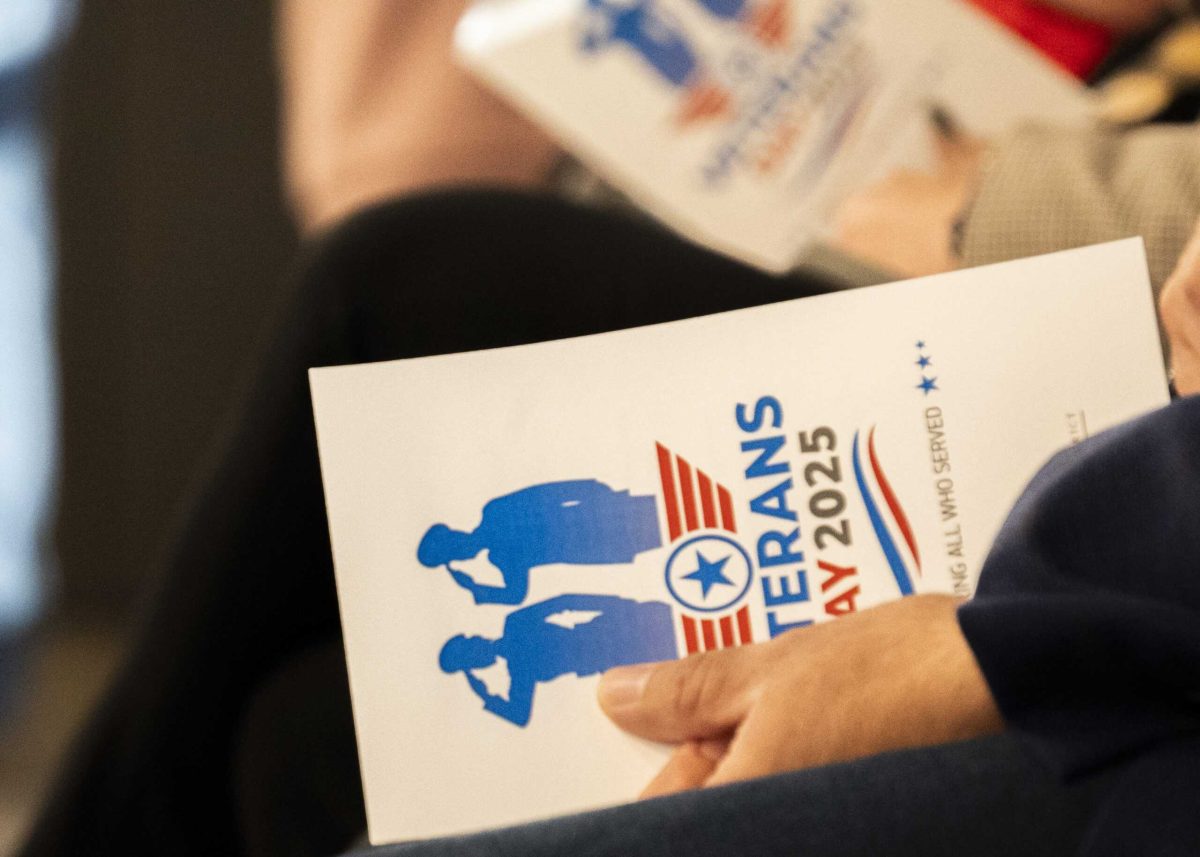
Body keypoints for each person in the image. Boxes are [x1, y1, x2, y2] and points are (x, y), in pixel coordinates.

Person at [440, 594, 676, 727]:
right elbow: (519, 715)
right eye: (470, 662)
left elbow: (565, 601)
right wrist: (484, 694)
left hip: (613, 629)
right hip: (621, 659)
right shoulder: (519, 667)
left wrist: (620, 606)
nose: (476, 662)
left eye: (470, 656)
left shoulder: (516, 627)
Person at [417, 480, 662, 605]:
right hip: (598, 547)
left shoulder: (494, 512)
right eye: (452, 556)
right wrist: (475, 588)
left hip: (600, 514)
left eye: (452, 549)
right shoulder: (500, 557)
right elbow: (515, 595)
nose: (459, 554)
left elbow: (545, 493)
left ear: (454, 534)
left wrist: (593, 489)